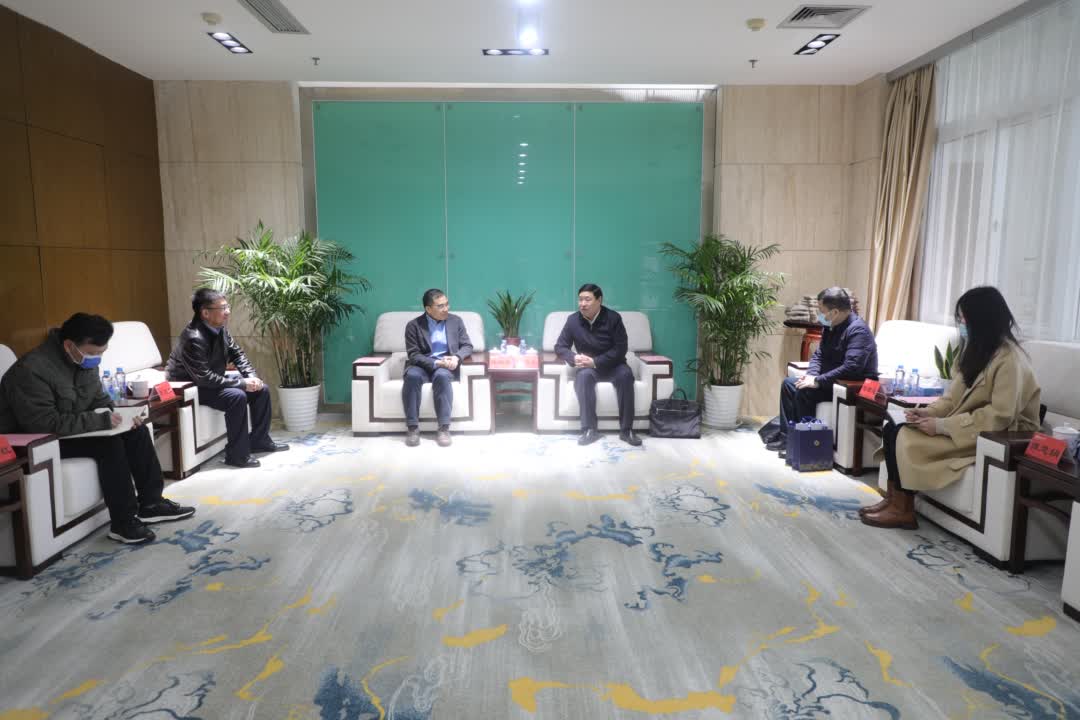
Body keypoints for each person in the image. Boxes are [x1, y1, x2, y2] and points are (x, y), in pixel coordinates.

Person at [0, 313, 195, 544]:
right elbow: (43, 423)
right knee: (109, 444)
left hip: (72, 429)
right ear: (69, 345)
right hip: (38, 442)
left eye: (102, 352)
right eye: (93, 353)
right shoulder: (31, 370)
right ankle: (123, 522)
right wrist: (101, 421)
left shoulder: (82, 360)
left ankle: (152, 504)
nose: (97, 358)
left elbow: (98, 398)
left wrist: (121, 417)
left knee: (136, 431)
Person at [861, 286, 1041, 529]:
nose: (962, 325)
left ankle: (903, 511)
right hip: (964, 424)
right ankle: (894, 501)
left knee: (906, 437)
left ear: (983, 320)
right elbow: (952, 398)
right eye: (960, 319)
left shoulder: (1010, 360)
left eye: (965, 319)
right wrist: (927, 412)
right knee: (894, 427)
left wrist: (942, 426)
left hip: (994, 434)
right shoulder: (976, 351)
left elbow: (999, 416)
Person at [165, 289, 288, 468]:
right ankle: (237, 456)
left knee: (261, 389)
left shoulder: (220, 329)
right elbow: (204, 378)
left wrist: (251, 378)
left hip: (211, 381)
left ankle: (259, 441)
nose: (228, 312)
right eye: (222, 308)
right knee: (236, 396)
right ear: (205, 313)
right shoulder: (193, 338)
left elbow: (238, 355)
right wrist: (242, 384)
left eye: (227, 306)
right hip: (191, 387)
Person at [765, 287, 878, 456]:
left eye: (821, 311)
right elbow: (819, 354)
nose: (819, 315)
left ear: (835, 312)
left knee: (805, 391)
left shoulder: (858, 331)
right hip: (831, 381)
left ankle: (806, 445)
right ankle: (787, 439)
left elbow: (852, 368)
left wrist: (818, 381)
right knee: (789, 384)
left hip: (849, 386)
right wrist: (811, 375)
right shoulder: (831, 325)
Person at [554, 284, 642, 447]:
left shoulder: (613, 318)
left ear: (599, 300)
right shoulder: (573, 320)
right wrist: (574, 357)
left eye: (587, 299)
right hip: (587, 368)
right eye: (580, 300)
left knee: (625, 375)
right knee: (583, 377)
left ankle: (626, 430)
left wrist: (596, 362)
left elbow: (620, 349)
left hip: (614, 365)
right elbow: (560, 347)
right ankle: (589, 429)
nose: (583, 304)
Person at [403, 289, 474, 448]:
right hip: (422, 365)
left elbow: (467, 346)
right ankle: (412, 428)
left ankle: (443, 428)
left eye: (447, 304)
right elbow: (413, 355)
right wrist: (436, 363)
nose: (446, 309)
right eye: (440, 306)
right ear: (428, 309)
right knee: (412, 376)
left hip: (446, 365)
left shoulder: (456, 321)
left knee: (441, 376)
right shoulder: (413, 325)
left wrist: (456, 357)